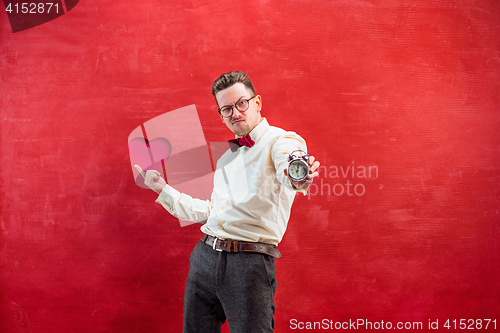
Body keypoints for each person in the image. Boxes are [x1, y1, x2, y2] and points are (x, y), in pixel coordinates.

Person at [135, 71, 320, 333]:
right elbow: (213, 212)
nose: (235, 112)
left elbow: (291, 166)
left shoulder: (282, 140)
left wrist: (297, 173)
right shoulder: (227, 159)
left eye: (241, 103)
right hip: (204, 258)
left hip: (248, 265)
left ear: (257, 103)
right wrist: (163, 189)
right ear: (221, 114)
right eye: (226, 109)